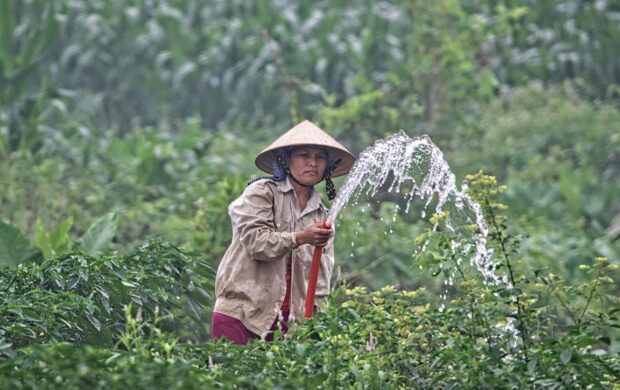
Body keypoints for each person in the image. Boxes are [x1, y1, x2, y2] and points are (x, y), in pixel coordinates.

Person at [211, 120, 356, 344]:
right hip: (242, 315)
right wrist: (301, 237)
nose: (312, 163)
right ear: (286, 161)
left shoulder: (322, 215)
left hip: (289, 326)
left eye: (319, 157)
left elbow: (321, 278)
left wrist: (316, 324)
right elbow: (257, 244)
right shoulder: (261, 193)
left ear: (327, 166)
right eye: (304, 156)